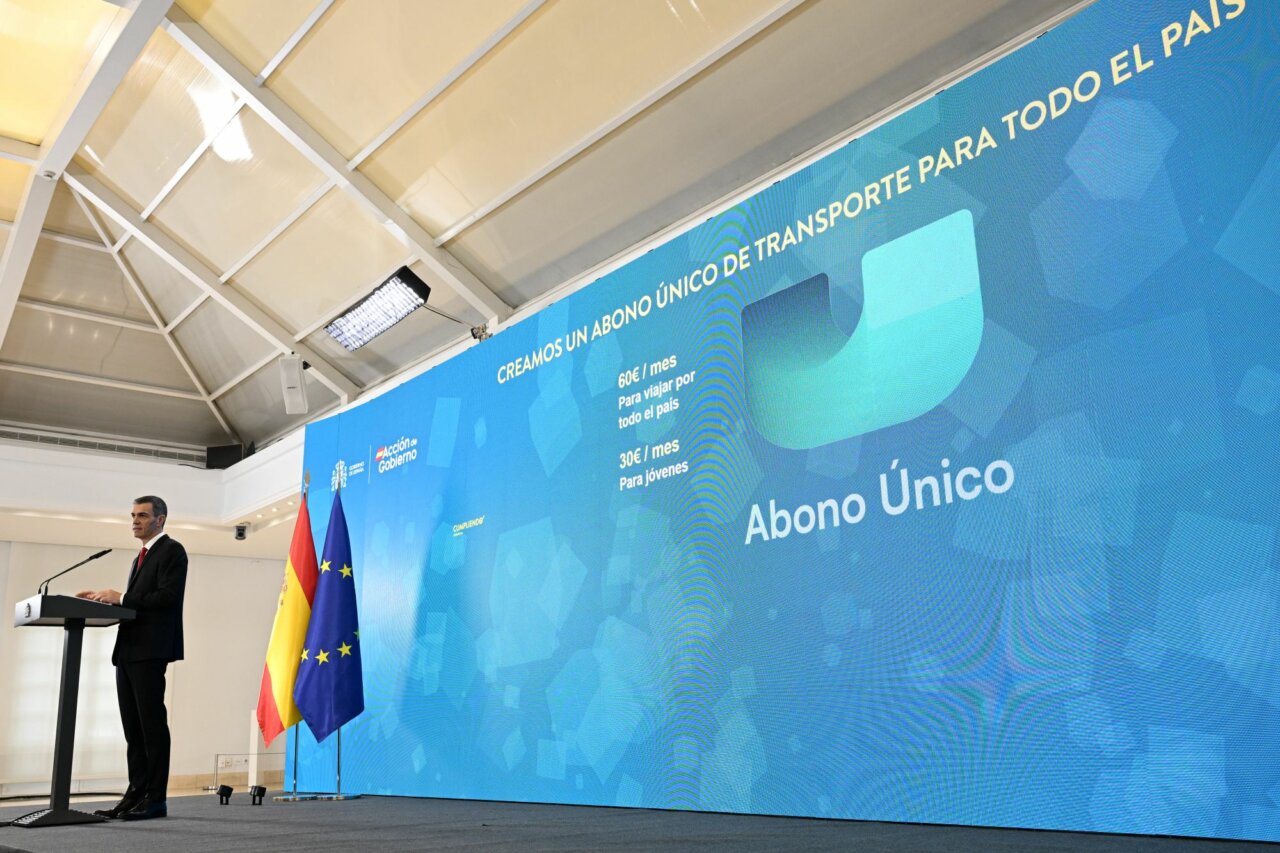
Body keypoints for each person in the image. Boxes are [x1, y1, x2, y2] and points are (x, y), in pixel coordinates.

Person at [77, 495, 188, 821]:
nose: (135, 521)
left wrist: (122, 596)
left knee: (151, 727)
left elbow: (168, 597)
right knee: (133, 730)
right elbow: (141, 603)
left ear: (160, 519)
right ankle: (135, 794)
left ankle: (156, 799)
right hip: (128, 651)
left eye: (142, 515)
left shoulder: (172, 551)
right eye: (133, 515)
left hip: (150, 651)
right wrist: (104, 601)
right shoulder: (140, 556)